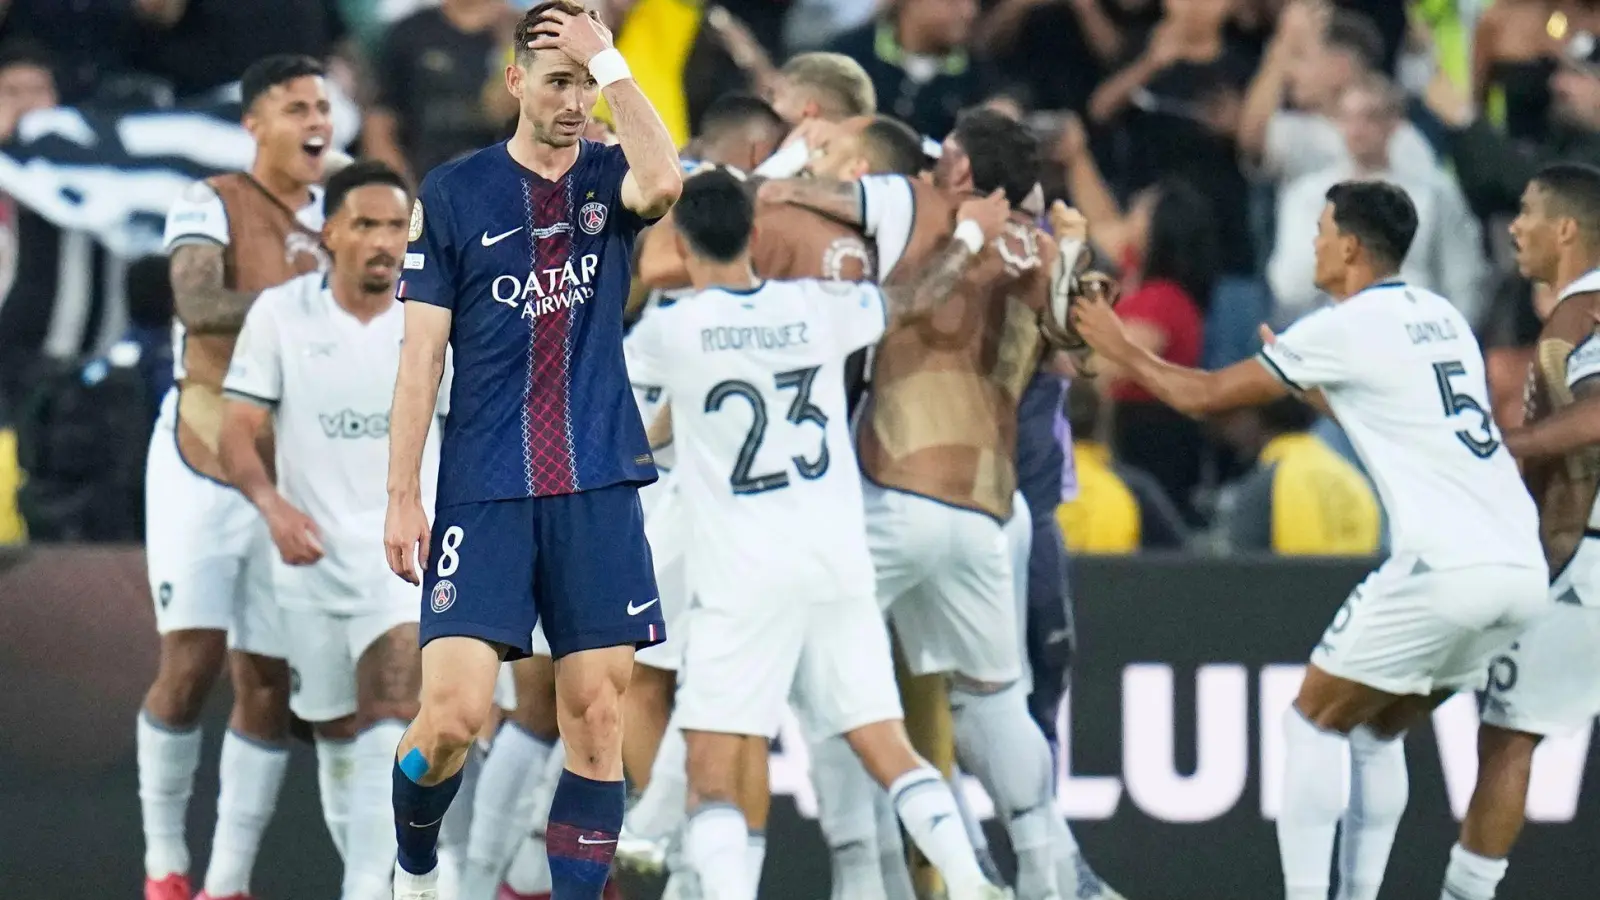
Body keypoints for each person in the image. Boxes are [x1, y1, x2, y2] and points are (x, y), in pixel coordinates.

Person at [1071, 179, 1549, 900]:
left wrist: (1116, 345)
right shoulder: (1440, 314)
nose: (1314, 242)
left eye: (1323, 229)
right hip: (1519, 567)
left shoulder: (1343, 327)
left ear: (1351, 247)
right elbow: (1398, 414)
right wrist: (1307, 381)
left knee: (1309, 725)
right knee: (1372, 731)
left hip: (1445, 567)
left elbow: (1199, 396)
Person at [625, 166, 1009, 900]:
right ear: (757, 236)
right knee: (885, 744)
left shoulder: (670, 333)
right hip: (837, 564)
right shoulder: (816, 306)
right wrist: (967, 235)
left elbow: (635, 421)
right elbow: (914, 299)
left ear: (680, 239)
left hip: (742, 575)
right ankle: (969, 880)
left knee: (710, 769)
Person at [760, 108, 1103, 900]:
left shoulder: (912, 203)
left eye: (940, 155)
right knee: (993, 703)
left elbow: (787, 199)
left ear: (956, 168)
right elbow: (1077, 351)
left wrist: (791, 157)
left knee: (830, 679)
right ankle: (1048, 874)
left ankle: (862, 878)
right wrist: (1072, 245)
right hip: (987, 514)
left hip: (894, 497)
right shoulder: (1043, 248)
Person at [381, 1, 682, 898]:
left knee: (595, 714)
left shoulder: (607, 175)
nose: (574, 100)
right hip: (485, 488)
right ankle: (415, 868)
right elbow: (421, 356)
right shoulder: (453, 192)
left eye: (587, 85)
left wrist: (613, 65)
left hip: (598, 483)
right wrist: (403, 494)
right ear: (514, 81)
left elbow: (664, 183)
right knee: (453, 718)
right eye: (559, 80)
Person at [140, 53, 334, 900]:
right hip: (204, 453)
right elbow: (197, 302)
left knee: (265, 680)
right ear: (254, 123)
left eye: (323, 106)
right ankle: (161, 864)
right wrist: (313, 304)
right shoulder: (209, 199)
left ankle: (225, 883)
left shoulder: (343, 219)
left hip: (293, 468)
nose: (316, 121)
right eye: (296, 107)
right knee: (189, 666)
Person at [214, 160, 434, 900]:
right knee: (337, 739)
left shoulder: (433, 315)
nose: (382, 242)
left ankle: (367, 891)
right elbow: (237, 428)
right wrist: (272, 507)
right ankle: (378, 880)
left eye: (396, 227)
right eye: (366, 225)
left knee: (394, 713)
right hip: (308, 560)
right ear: (328, 231)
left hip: (403, 558)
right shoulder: (280, 314)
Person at [1440, 163, 1600, 900]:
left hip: (1586, 571)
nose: (1514, 225)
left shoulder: (1590, 309)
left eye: (1529, 211)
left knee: (1506, 737)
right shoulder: (1572, 314)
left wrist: (1508, 447)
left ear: (1566, 228)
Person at [1212, 395, 1381, 555]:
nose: (1227, 430)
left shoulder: (1264, 486)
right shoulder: (1349, 475)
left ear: (1257, 416)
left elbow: (1243, 575)